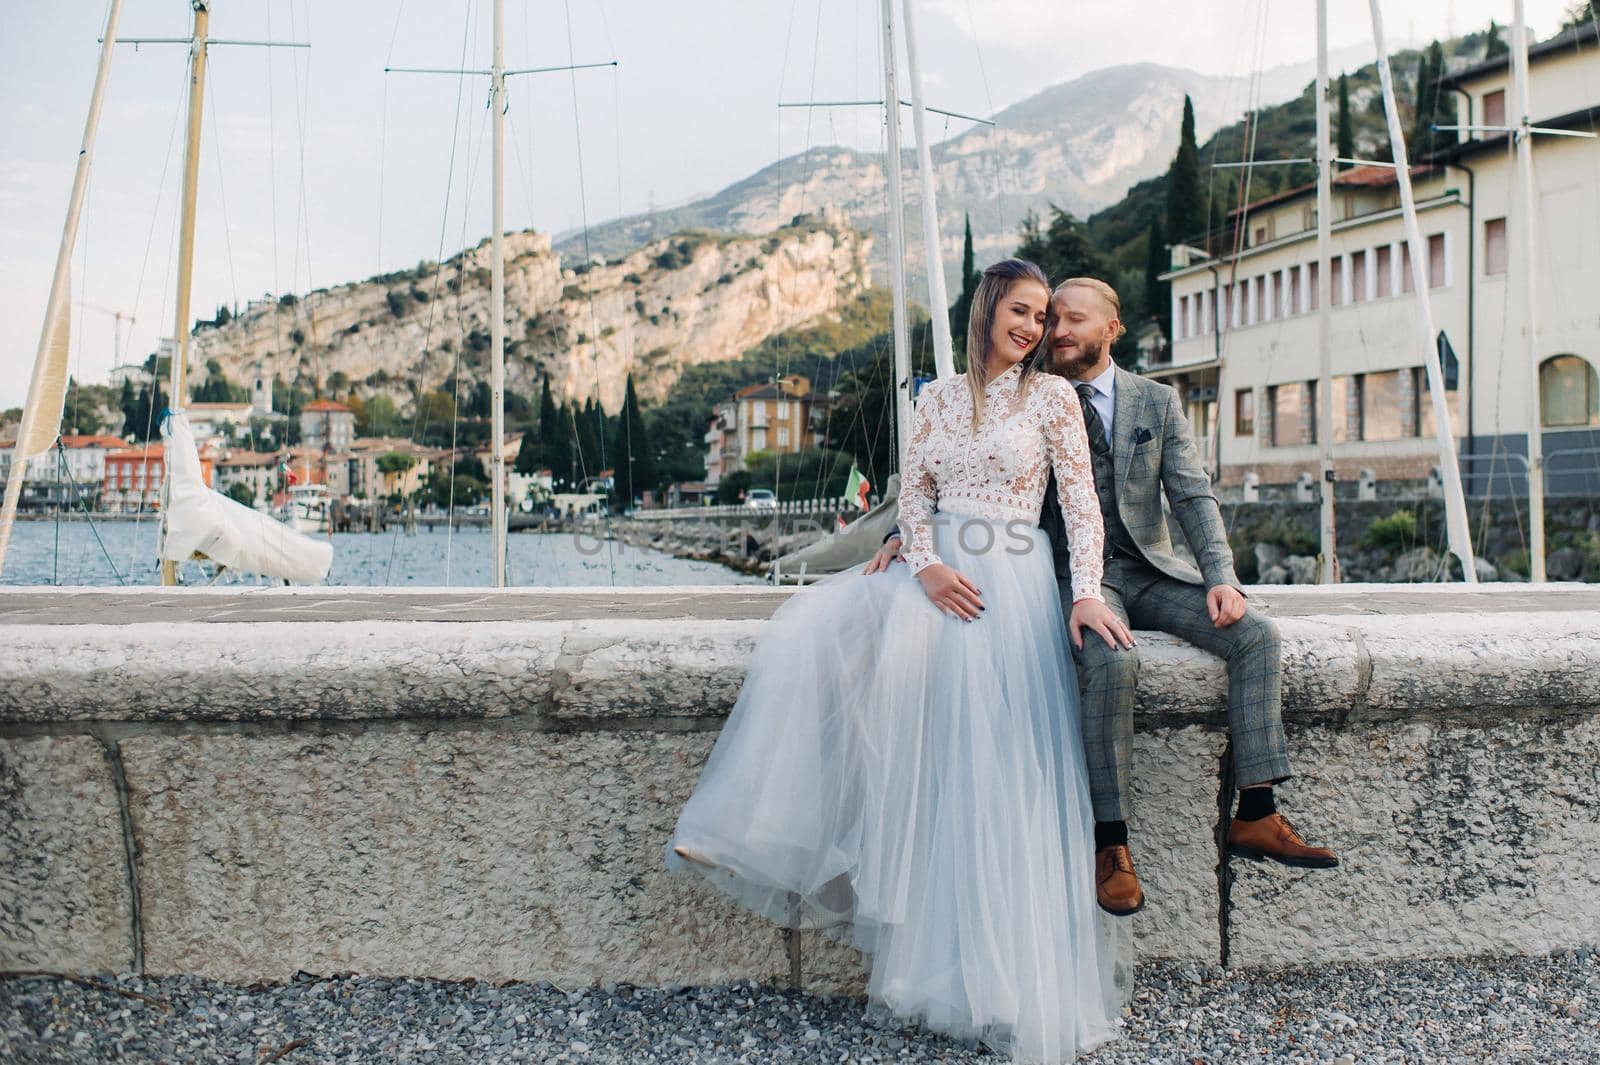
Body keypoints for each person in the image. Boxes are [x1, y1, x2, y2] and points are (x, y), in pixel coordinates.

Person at [668, 260, 1126, 1062]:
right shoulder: (935, 398)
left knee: (1003, 779)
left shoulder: (1052, 398)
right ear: (986, 308)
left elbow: (1082, 506)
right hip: (940, 578)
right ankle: (764, 835)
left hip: (1013, 588)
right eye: (1020, 310)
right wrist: (922, 562)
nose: (1033, 328)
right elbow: (912, 497)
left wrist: (1085, 592)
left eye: (1043, 316)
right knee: (829, 657)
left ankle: (1013, 981)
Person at [869, 277, 1338, 919]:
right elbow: (959, 472)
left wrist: (1221, 577)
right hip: (1071, 577)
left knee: (1256, 635)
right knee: (1114, 664)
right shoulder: (1031, 395)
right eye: (1047, 319)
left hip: (1149, 568)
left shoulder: (1156, 402)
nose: (1055, 331)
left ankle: (1257, 811)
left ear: (1111, 329)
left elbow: (1193, 496)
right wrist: (908, 537)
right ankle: (1111, 845)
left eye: (1070, 321)